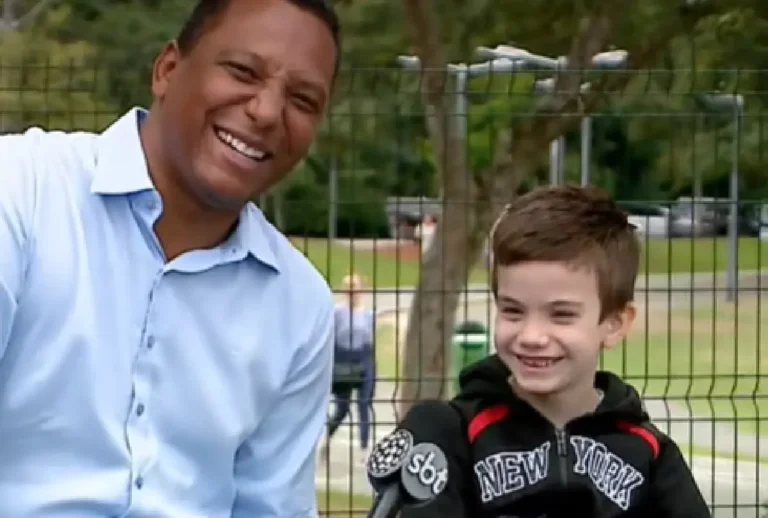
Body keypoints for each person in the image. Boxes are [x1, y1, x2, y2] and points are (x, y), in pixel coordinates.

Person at [0, 0, 340, 516]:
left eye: (303, 99)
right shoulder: (23, 191)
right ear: (167, 70)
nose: (267, 112)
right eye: (243, 71)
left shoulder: (300, 305)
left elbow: (270, 507)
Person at [400, 186, 711, 517]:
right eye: (513, 311)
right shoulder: (448, 434)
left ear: (615, 323)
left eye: (561, 315)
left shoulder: (649, 454)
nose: (532, 336)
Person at [321, 273, 377, 463]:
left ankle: (364, 448)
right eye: (349, 290)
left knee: (363, 404)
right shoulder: (337, 313)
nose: (353, 293)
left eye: (356, 289)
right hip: (343, 362)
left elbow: (369, 343)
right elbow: (330, 339)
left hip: (363, 359)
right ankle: (327, 437)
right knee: (342, 408)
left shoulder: (368, 315)